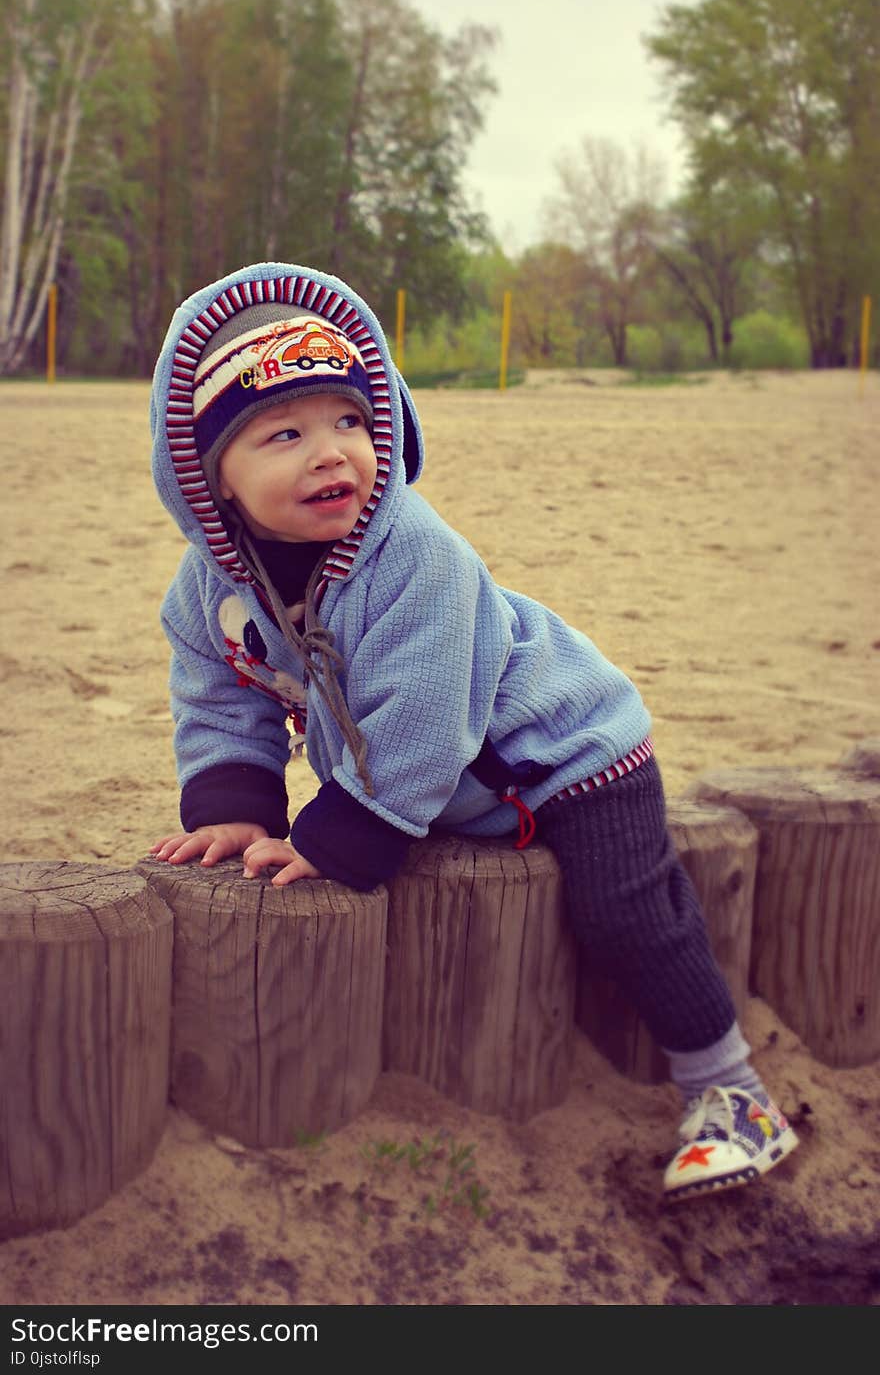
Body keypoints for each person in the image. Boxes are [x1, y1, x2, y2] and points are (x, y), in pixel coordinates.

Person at [149, 261, 799, 1201]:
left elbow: (422, 711)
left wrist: (346, 834)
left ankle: (732, 1091)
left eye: (350, 423)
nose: (332, 453)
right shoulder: (211, 588)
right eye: (285, 433)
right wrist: (238, 804)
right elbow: (219, 692)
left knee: (626, 909)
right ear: (211, 481)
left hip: (566, 754)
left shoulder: (416, 554)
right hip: (457, 785)